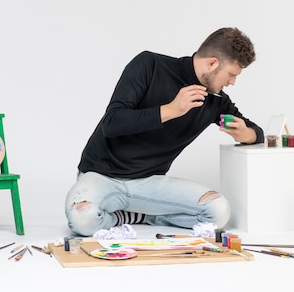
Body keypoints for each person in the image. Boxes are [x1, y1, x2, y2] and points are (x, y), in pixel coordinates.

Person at [65, 27, 264, 236]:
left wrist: (246, 134)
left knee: (218, 213)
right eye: (231, 74)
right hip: (102, 175)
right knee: (83, 219)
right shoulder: (149, 65)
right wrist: (171, 109)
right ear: (212, 63)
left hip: (150, 184)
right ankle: (124, 215)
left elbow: (256, 131)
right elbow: (113, 122)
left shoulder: (216, 100)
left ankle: (142, 216)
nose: (232, 82)